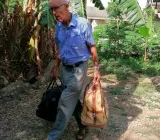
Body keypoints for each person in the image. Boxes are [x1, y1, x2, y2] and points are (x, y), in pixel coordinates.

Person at [45, 0, 101, 139]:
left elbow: (92, 47)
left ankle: (52, 136)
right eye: (52, 10)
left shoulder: (82, 24)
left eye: (56, 9)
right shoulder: (59, 26)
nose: (54, 13)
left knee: (64, 103)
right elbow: (60, 48)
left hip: (78, 70)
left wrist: (96, 68)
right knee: (73, 100)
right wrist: (56, 67)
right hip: (65, 69)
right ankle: (83, 127)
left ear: (67, 6)